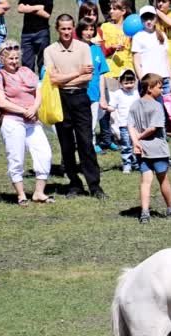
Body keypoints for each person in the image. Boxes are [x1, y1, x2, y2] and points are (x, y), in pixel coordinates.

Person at [44, 14, 107, 200]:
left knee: (86, 142)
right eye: (62, 28)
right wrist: (77, 72)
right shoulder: (50, 51)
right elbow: (52, 79)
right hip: (60, 99)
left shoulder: (83, 48)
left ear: (73, 29)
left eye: (69, 28)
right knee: (66, 145)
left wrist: (67, 77)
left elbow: (88, 77)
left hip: (80, 97)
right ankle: (74, 183)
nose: (66, 32)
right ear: (57, 29)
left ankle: (94, 185)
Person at [0, 39, 54, 206]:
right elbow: (2, 102)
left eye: (16, 58)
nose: (14, 61)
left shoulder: (26, 71)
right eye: (10, 58)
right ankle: (20, 195)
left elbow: (38, 91)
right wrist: (23, 110)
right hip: (12, 122)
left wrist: (34, 107)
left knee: (44, 153)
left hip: (33, 121)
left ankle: (39, 193)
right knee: (16, 158)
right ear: (2, 59)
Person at [128, 73, 171, 223]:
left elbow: (130, 126)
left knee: (145, 181)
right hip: (157, 150)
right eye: (159, 87)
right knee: (163, 179)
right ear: (149, 88)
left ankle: (145, 213)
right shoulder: (157, 106)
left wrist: (135, 142)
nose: (161, 90)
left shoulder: (134, 105)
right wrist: (140, 137)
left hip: (142, 151)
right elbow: (153, 128)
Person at [99, 0, 134, 151]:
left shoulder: (131, 26)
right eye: (110, 8)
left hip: (128, 71)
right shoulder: (105, 27)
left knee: (130, 105)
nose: (111, 11)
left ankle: (131, 136)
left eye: (115, 9)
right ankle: (122, 138)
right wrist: (111, 48)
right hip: (111, 72)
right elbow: (101, 48)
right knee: (114, 108)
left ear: (124, 11)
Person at [76, 17, 111, 155]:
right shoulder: (74, 49)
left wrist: (102, 97)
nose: (89, 32)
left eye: (92, 29)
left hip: (94, 93)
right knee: (80, 125)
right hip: (78, 93)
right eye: (86, 29)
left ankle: (90, 148)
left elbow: (101, 74)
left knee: (92, 124)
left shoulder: (97, 50)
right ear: (80, 31)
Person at [106, 68, 140, 173]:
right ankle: (127, 164)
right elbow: (112, 106)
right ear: (120, 82)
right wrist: (107, 108)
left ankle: (137, 163)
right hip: (124, 125)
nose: (129, 85)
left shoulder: (136, 93)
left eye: (131, 82)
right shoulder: (118, 94)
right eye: (126, 83)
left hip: (137, 126)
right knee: (126, 145)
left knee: (137, 144)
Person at [17, 0, 52, 73]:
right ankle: (29, 83)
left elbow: (46, 15)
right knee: (26, 64)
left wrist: (28, 8)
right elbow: (20, 8)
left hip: (42, 32)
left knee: (43, 63)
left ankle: (43, 83)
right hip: (26, 33)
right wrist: (38, 7)